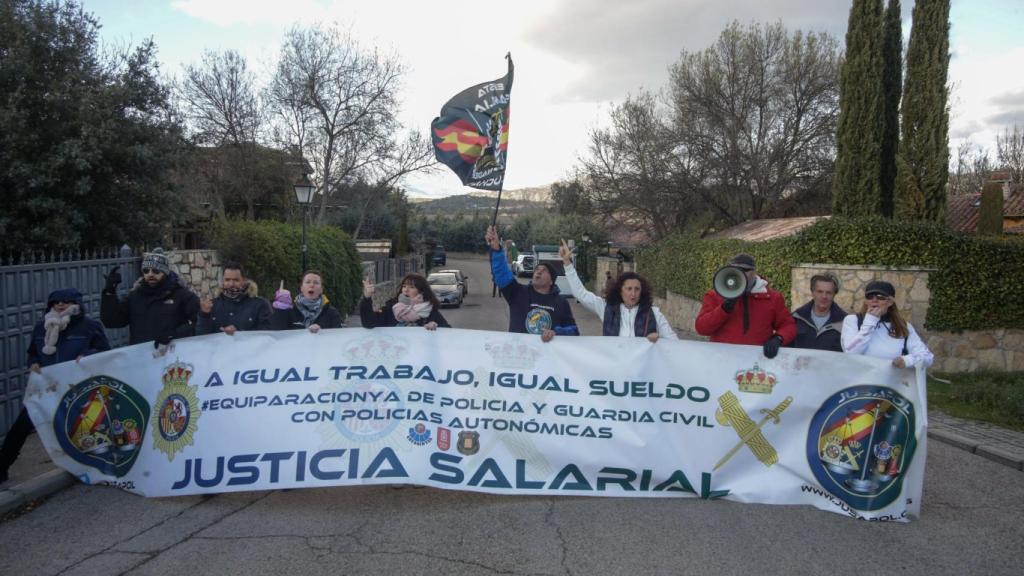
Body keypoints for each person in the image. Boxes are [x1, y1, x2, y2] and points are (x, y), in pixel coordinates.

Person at [1, 289, 111, 483]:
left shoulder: (89, 326)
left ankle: (98, 463)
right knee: (21, 426)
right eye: (56, 302)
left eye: (67, 301)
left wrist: (87, 356)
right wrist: (33, 363)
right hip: (46, 388)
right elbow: (33, 352)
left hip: (77, 389)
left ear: (76, 304)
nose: (61, 305)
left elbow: (104, 351)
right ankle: (2, 466)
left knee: (86, 427)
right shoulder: (41, 327)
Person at [559, 240, 677, 342]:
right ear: (620, 291)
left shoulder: (654, 313)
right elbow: (581, 294)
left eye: (637, 289)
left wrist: (659, 340)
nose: (633, 293)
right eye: (629, 289)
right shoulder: (606, 308)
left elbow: (674, 342)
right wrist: (567, 264)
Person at [486, 225, 578, 342]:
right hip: (521, 356)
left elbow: (574, 331)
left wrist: (557, 332)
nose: (538, 271)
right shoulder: (518, 293)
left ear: (551, 281)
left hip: (547, 358)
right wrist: (496, 248)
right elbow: (501, 274)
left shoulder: (561, 302)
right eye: (537, 269)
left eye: (544, 270)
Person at [694, 253, 796, 358]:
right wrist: (723, 310)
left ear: (753, 272)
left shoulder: (772, 298)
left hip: (756, 360)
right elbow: (702, 328)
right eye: (734, 269)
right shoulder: (715, 296)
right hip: (721, 359)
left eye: (743, 270)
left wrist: (778, 338)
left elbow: (788, 325)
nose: (739, 274)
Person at [100, 248, 200, 350]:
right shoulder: (135, 296)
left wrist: (174, 335)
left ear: (165, 272)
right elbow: (112, 321)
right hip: (141, 358)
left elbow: (199, 322)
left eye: (156, 270)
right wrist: (109, 293)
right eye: (146, 271)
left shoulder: (181, 295)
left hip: (171, 357)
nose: (150, 274)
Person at [841, 280, 933, 368]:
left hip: (890, 382)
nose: (874, 300)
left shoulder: (903, 326)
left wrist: (906, 360)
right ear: (866, 301)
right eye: (870, 296)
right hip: (860, 382)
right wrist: (870, 321)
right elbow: (850, 353)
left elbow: (927, 356)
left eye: (880, 296)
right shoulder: (852, 320)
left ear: (890, 302)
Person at [196, 262, 272, 335]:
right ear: (223, 281)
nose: (231, 284)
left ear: (244, 281)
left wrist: (239, 332)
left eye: (236, 280)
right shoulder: (212, 305)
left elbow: (267, 335)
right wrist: (204, 315)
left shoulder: (260, 304)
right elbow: (201, 337)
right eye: (227, 280)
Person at [359, 273, 450, 330]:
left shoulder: (430, 310)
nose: (406, 290)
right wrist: (367, 298)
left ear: (421, 291)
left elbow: (448, 331)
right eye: (404, 286)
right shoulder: (391, 307)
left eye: (411, 287)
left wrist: (436, 326)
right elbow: (369, 323)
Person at [270, 270, 343, 332]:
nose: (311, 285)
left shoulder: (331, 313)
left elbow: (337, 338)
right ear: (301, 288)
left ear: (321, 289)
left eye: (316, 283)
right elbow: (276, 334)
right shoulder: (290, 310)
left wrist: (322, 332)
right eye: (308, 282)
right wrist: (280, 311)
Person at [790, 274, 846, 352]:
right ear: (812, 293)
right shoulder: (796, 318)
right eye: (820, 291)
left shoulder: (845, 322)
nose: (824, 296)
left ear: (834, 295)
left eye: (829, 292)